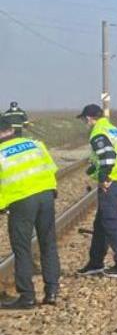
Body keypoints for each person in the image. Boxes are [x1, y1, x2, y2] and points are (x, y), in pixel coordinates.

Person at [0, 117, 60, 309]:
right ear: (11, 129)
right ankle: (51, 291)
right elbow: (51, 168)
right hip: (46, 197)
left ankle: (27, 296)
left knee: (22, 248)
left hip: (21, 202)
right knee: (48, 243)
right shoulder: (35, 144)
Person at [76, 104, 117, 279]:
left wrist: (103, 179)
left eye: (84, 120)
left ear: (88, 118)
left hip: (111, 182)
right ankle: (95, 263)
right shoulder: (114, 130)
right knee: (100, 224)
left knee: (111, 222)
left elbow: (108, 158)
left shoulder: (98, 132)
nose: (85, 123)